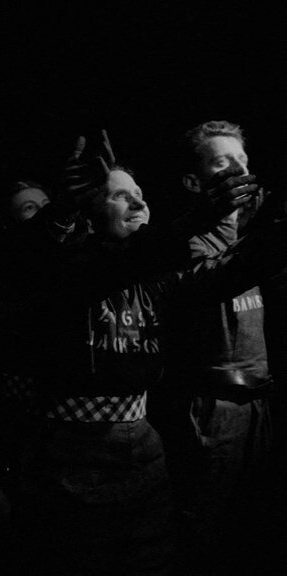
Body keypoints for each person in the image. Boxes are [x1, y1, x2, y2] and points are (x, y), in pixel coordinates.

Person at [0, 130, 280, 574]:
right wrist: (195, 219)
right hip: (72, 453)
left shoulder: (155, 278)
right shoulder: (69, 271)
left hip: (144, 449)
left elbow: (225, 275)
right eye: (119, 195)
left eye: (139, 193)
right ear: (89, 211)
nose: (139, 201)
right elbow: (108, 266)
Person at [153, 120, 276, 573]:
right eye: (223, 163)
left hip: (258, 403)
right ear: (193, 181)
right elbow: (213, 279)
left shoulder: (246, 237)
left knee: (252, 533)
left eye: (243, 160)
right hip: (211, 409)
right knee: (205, 531)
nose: (240, 171)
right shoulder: (184, 243)